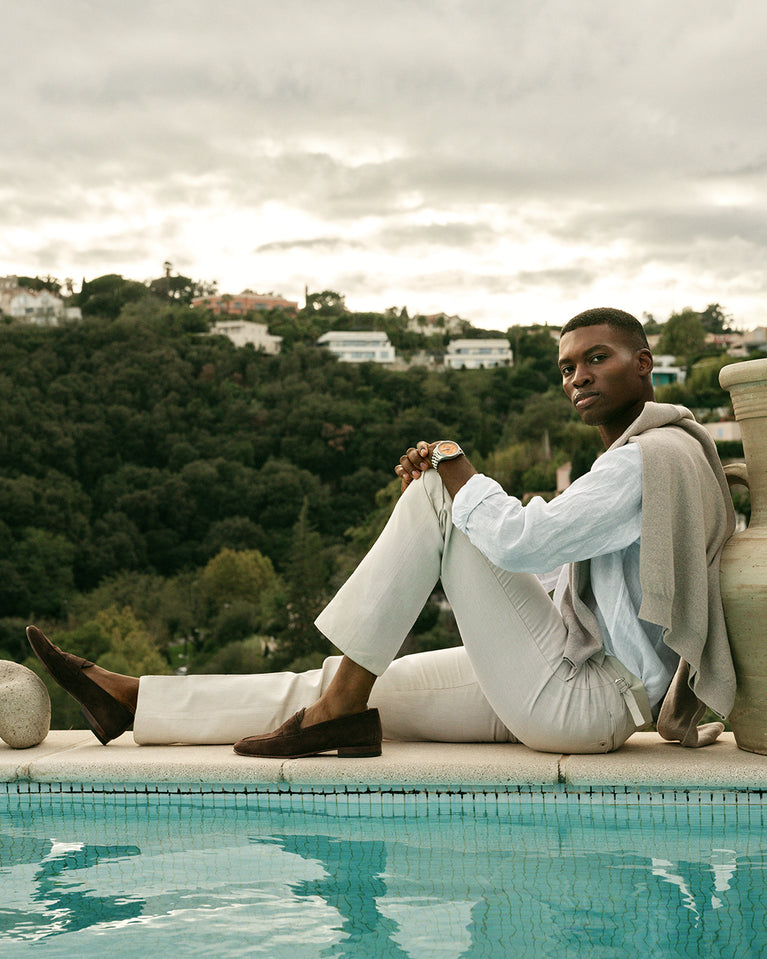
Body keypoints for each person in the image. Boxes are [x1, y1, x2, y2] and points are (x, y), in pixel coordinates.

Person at [27, 307, 737, 757]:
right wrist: (448, 519)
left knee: (437, 488)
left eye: (596, 358)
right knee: (345, 682)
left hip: (585, 702)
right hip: (551, 677)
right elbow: (551, 573)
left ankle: (337, 708)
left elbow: (525, 544)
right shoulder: (638, 458)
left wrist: (453, 478)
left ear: (644, 363)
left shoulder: (648, 459)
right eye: (564, 366)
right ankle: (130, 699)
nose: (576, 375)